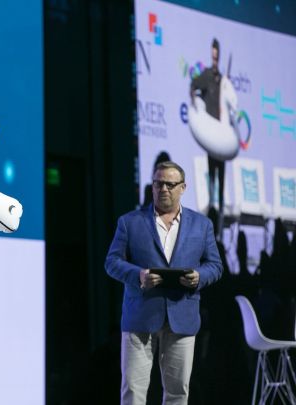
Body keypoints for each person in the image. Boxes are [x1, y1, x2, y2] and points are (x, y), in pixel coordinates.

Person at [105, 161, 223, 405]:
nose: (164, 189)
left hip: (182, 316)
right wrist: (138, 275)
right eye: (159, 184)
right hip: (140, 317)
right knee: (133, 391)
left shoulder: (202, 225)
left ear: (183, 187)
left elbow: (215, 266)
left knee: (178, 392)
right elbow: (112, 262)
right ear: (152, 186)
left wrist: (199, 277)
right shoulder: (130, 222)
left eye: (170, 184)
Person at [190, 38, 225, 227]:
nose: (215, 59)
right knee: (212, 178)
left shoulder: (222, 79)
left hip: (222, 137)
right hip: (212, 137)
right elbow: (193, 86)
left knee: (222, 180)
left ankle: (219, 221)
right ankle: (212, 219)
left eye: (217, 56)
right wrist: (196, 105)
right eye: (213, 55)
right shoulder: (206, 76)